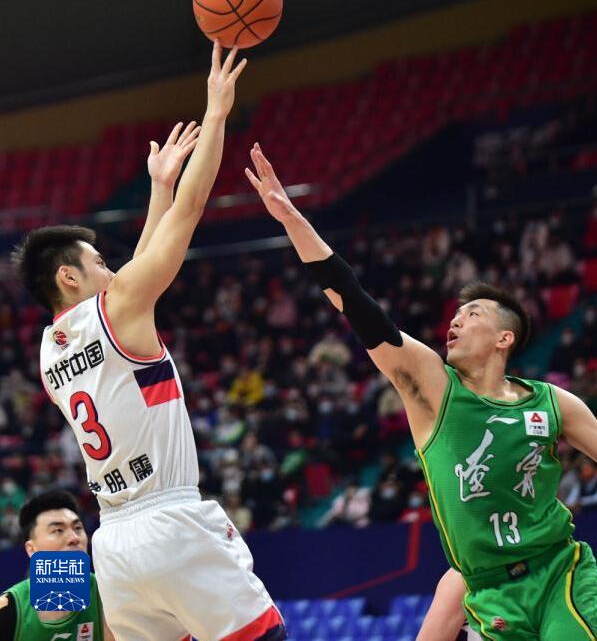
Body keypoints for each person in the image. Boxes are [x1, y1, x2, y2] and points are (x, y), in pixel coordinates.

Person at [245, 142, 597, 640]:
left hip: (562, 570)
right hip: (489, 590)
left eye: (472, 314)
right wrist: (292, 220)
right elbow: (357, 304)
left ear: (505, 338)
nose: (456, 321)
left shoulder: (553, 402)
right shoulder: (434, 389)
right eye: (455, 315)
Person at [12, 45, 285, 641]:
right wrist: (216, 113)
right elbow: (191, 211)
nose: (112, 270)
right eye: (99, 262)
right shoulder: (118, 309)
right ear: (69, 277)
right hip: (170, 518)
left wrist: (158, 188)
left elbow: (138, 270)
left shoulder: (49, 350)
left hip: (114, 543)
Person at [0, 489, 114, 641]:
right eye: (58, 530)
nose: (74, 538)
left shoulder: (107, 593)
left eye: (78, 528)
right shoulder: (8, 610)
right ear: (31, 549)